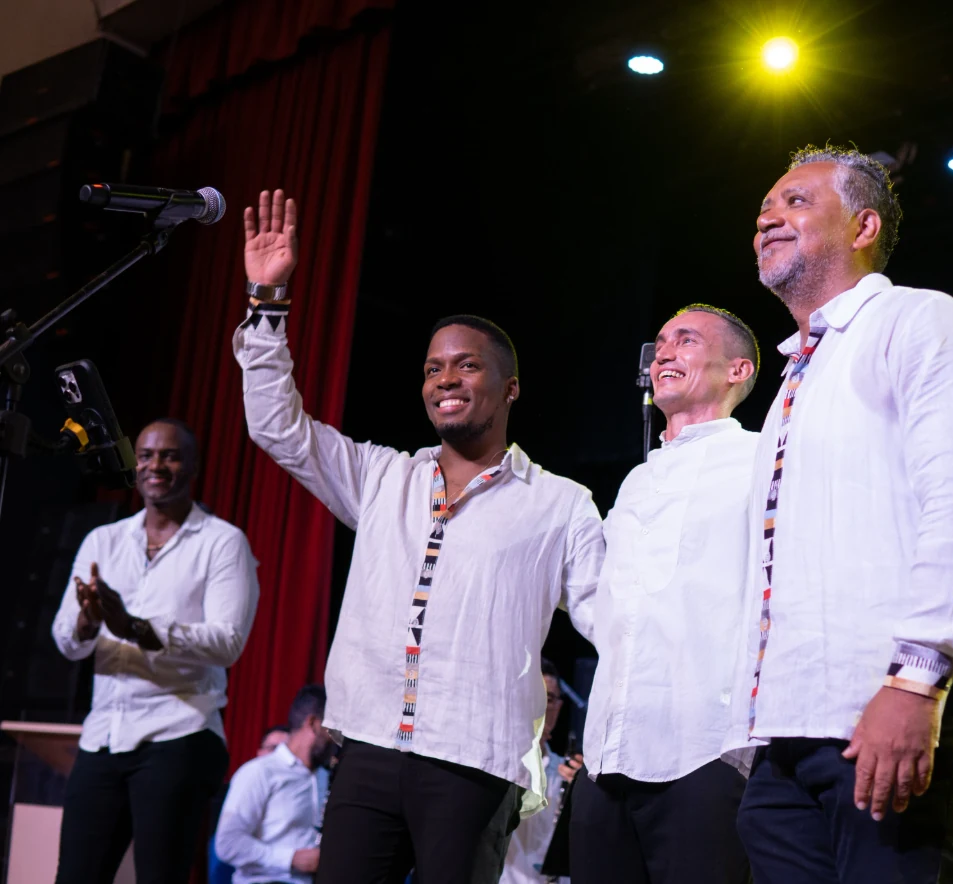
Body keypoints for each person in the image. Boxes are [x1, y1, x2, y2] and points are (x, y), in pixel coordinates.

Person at [234, 190, 603, 884]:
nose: (445, 379)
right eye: (433, 368)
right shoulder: (381, 478)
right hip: (368, 749)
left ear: (510, 387)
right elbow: (276, 427)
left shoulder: (561, 505)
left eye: (465, 364)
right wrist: (267, 301)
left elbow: (608, 618)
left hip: (474, 760)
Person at [729, 145, 953, 884]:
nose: (769, 215)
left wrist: (916, 677)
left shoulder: (920, 321)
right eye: (766, 205)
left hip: (896, 713)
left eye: (796, 201)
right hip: (788, 741)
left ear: (863, 227)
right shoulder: (798, 374)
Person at [561, 305, 759, 884]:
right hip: (608, 754)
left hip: (704, 751)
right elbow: (614, 609)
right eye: (663, 342)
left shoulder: (758, 460)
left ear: (739, 370)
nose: (664, 352)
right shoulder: (638, 480)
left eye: (688, 341)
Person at [50, 418, 261, 884]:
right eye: (146, 455)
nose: (155, 465)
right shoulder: (103, 541)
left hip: (179, 734)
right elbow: (66, 640)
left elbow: (227, 642)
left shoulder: (223, 543)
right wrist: (89, 621)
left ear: (193, 466)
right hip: (104, 734)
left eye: (169, 455)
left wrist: (137, 628)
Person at [215, 686, 333, 884]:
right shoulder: (260, 772)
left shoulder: (325, 776)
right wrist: (290, 859)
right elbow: (228, 843)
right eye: (332, 729)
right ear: (313, 723)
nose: (336, 739)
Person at [500, 659, 572, 884]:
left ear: (558, 708)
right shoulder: (495, 766)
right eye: (534, 695)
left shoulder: (567, 774)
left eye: (549, 699)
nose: (541, 706)